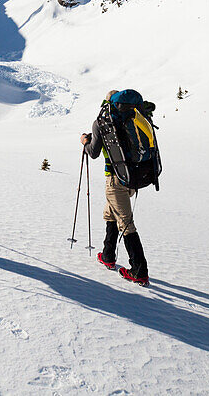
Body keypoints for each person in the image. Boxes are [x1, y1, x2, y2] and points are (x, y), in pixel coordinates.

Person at [81, 90, 149, 285]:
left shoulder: (103, 122)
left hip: (115, 180)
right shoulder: (132, 118)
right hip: (132, 178)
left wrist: (85, 142)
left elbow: (93, 152)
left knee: (126, 223)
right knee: (110, 213)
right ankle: (108, 255)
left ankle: (139, 271)